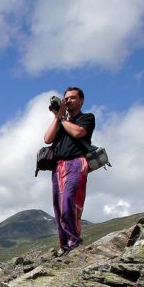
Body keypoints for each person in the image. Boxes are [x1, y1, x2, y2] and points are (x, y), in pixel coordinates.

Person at [43, 86, 95, 255]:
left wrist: (63, 118)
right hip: (58, 166)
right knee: (59, 207)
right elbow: (47, 139)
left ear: (81, 100)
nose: (69, 101)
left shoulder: (86, 118)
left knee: (69, 203)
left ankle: (74, 242)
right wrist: (58, 117)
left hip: (76, 163)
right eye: (66, 98)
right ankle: (65, 245)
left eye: (73, 98)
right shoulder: (61, 121)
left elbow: (79, 133)